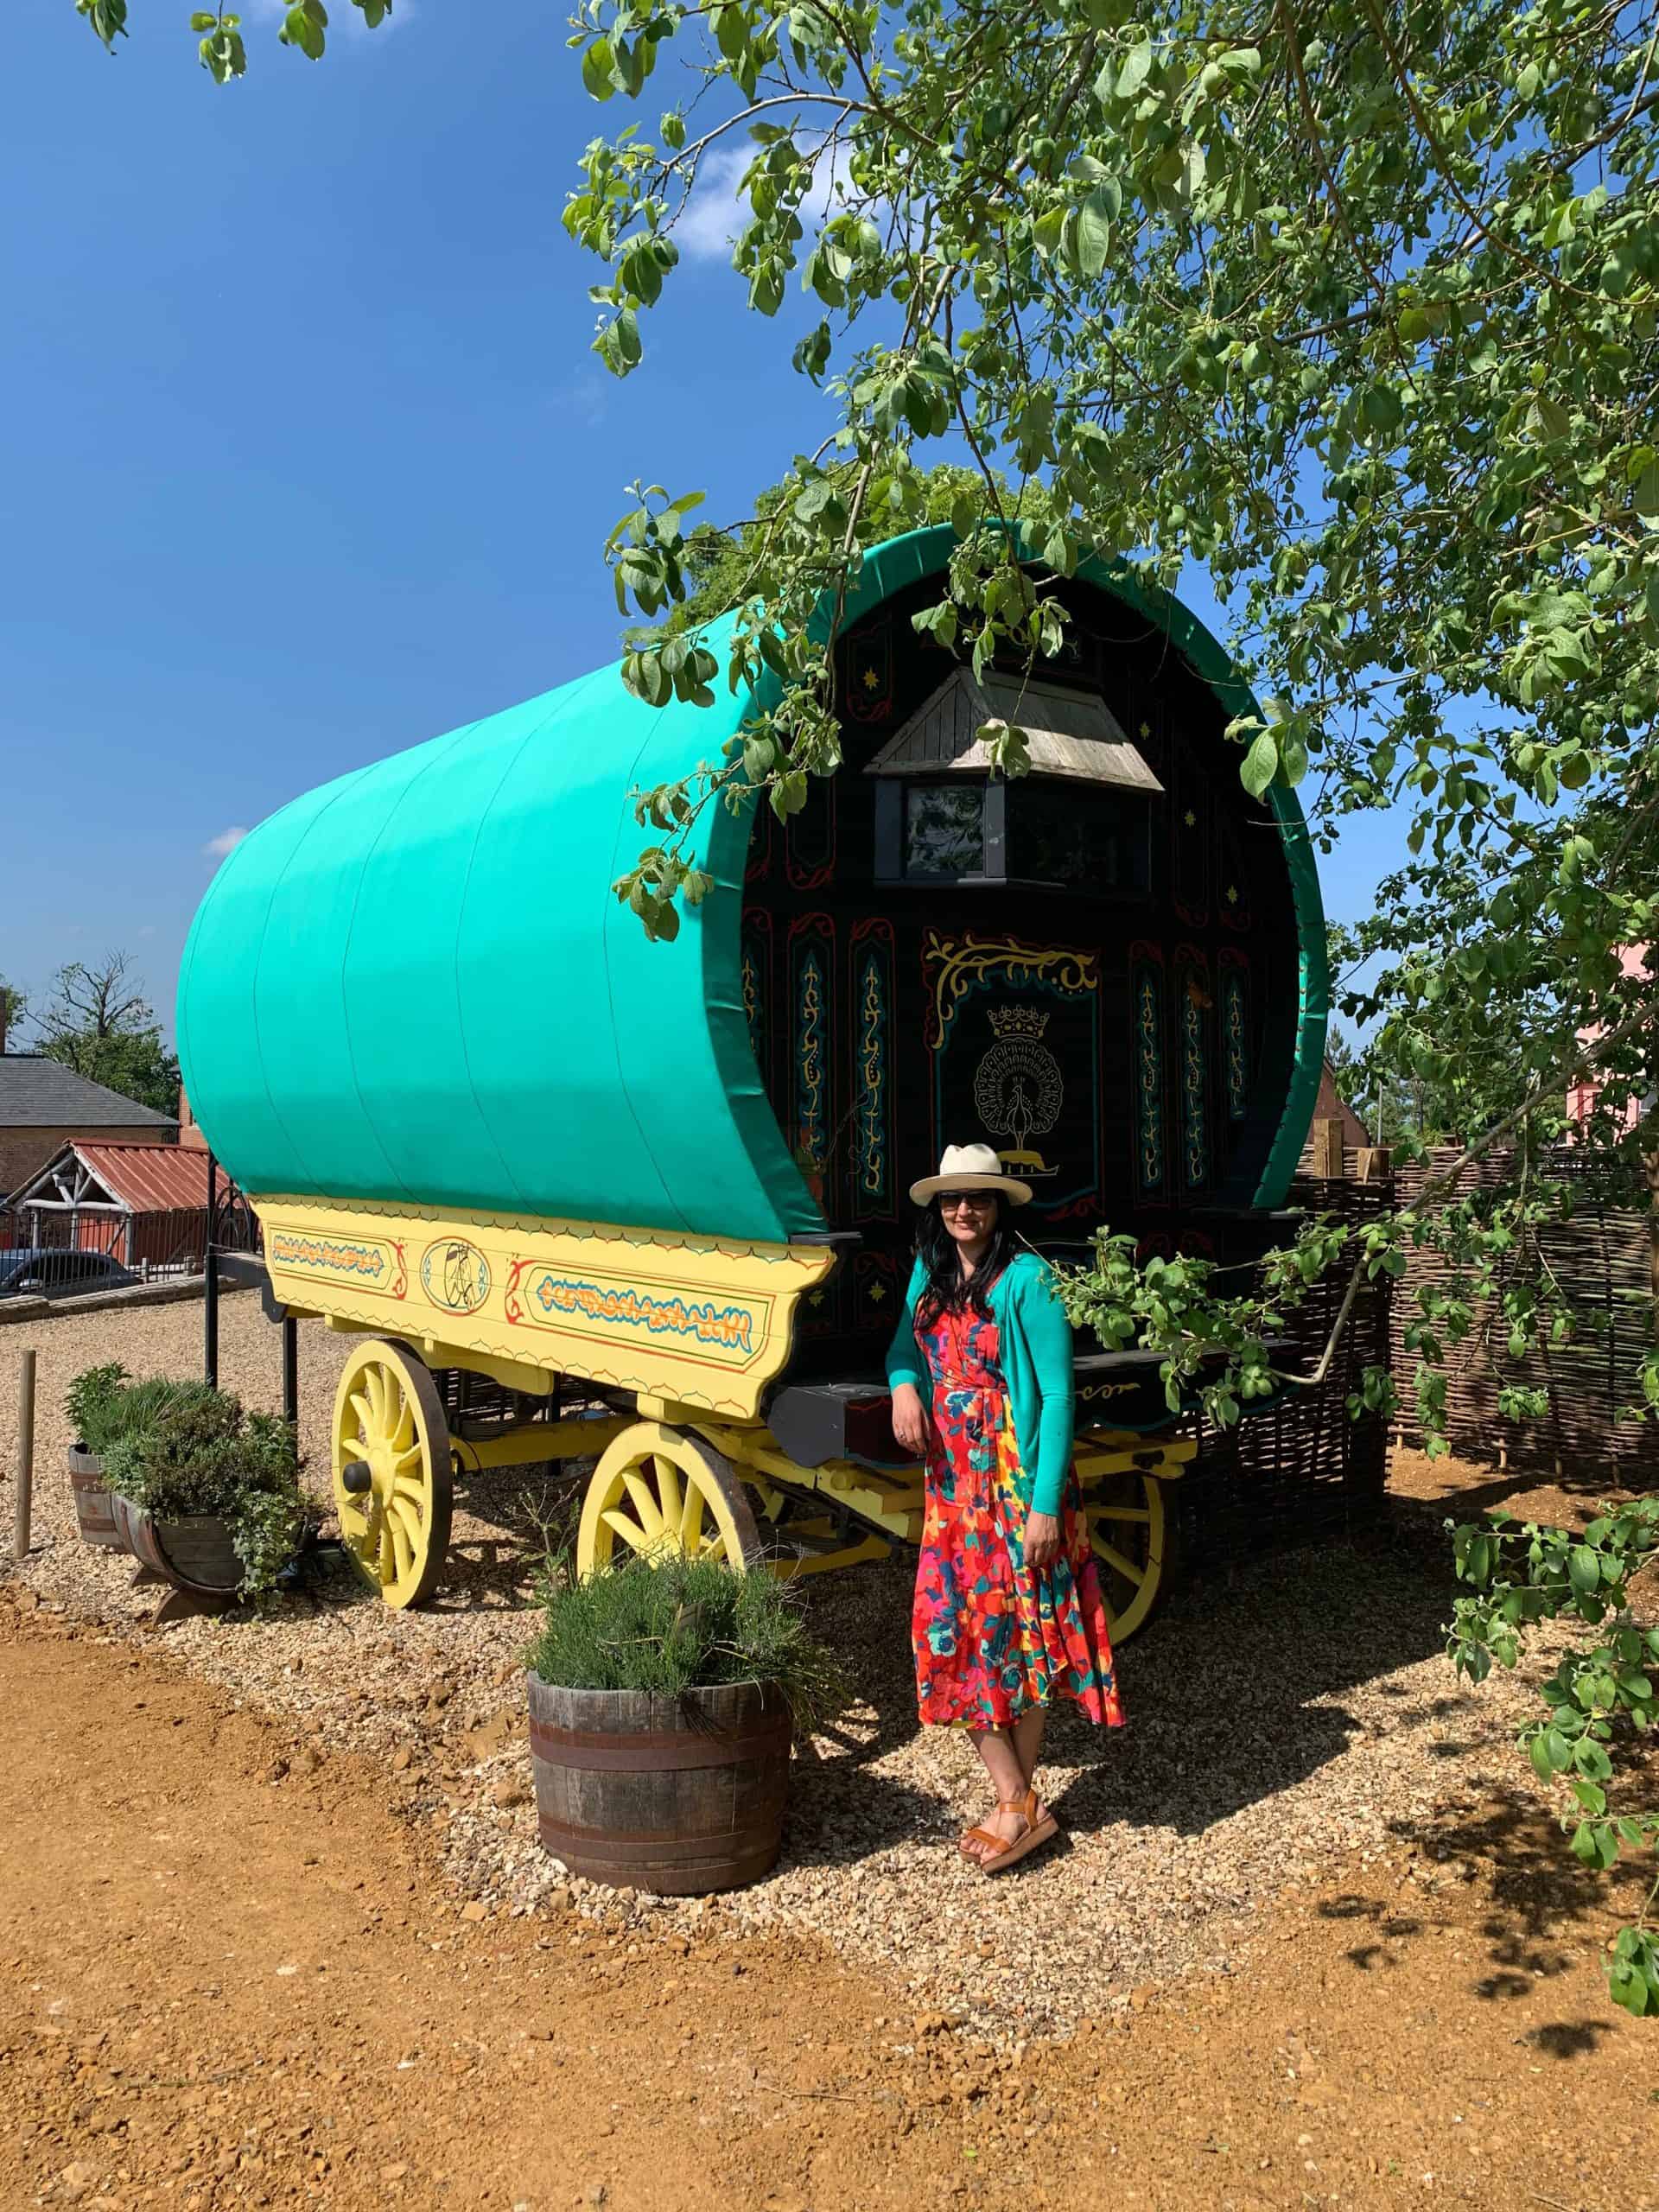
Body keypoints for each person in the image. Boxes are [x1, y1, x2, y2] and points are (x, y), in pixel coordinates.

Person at [886, 1142, 1123, 1873]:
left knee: (1024, 1631)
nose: (964, 1210)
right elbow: (903, 1347)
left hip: (1017, 1482)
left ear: (998, 1207)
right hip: (952, 1488)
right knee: (950, 1628)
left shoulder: (1029, 1280)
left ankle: (1015, 1804)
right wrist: (902, 1387)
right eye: (953, 1199)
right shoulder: (929, 1276)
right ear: (938, 1206)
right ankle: (1017, 1797)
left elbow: (1056, 1397)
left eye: (978, 1199)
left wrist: (1046, 1506)